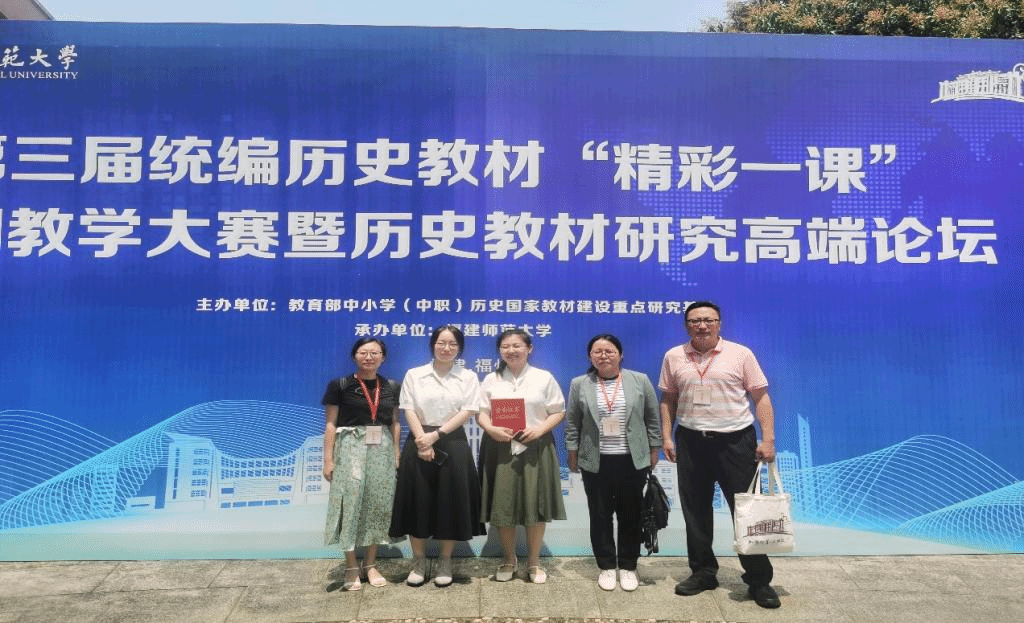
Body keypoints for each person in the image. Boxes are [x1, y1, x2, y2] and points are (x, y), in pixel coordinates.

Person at [658, 301, 782, 609]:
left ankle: (759, 580)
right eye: (695, 321)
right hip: (691, 441)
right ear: (686, 325)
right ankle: (703, 572)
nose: (702, 325)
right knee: (695, 510)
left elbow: (761, 397)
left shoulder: (740, 354)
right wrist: (666, 437)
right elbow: (668, 399)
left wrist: (768, 439)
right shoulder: (674, 356)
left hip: (735, 441)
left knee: (746, 511)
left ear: (719, 323)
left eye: (708, 320)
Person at [389, 325, 486, 587]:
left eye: (453, 344)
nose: (446, 348)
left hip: (452, 442)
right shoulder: (415, 374)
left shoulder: (468, 376)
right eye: (441, 343)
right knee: (417, 501)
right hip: (418, 439)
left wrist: (436, 436)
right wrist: (423, 440)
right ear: (433, 345)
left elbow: (467, 411)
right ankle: (419, 561)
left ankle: (445, 560)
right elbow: (408, 408)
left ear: (460, 348)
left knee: (450, 502)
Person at [565, 334, 662, 592]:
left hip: (632, 460)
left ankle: (628, 566)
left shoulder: (639, 380)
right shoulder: (579, 384)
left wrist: (655, 449)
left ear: (620, 354)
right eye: (597, 351)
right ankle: (607, 566)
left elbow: (652, 418)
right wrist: (572, 452)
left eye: (609, 351)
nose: (603, 355)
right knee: (600, 515)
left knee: (631, 513)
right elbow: (573, 422)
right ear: (590, 357)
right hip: (596, 461)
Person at [477, 328, 567, 584]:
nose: (511, 350)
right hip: (500, 448)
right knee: (503, 505)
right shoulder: (491, 379)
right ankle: (509, 559)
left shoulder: (543, 377)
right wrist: (491, 429)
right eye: (505, 346)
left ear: (529, 348)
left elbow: (558, 411)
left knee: (535, 505)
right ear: (500, 351)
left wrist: (539, 430)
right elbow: (481, 412)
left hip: (536, 447)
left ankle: (534, 562)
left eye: (517, 345)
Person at [322, 337, 402, 591]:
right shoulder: (340, 385)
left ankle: (370, 563)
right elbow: (330, 424)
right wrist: (328, 459)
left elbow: (395, 423)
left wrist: (396, 452)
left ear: (383, 357)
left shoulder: (391, 386)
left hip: (381, 450)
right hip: (349, 448)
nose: (369, 357)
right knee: (350, 502)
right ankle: (350, 565)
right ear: (354, 356)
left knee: (377, 503)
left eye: (375, 353)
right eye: (363, 352)